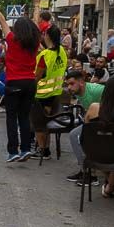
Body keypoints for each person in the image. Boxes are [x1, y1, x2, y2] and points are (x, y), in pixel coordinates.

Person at [0, 0, 39, 162]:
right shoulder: (35, 41)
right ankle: (25, 149)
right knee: (24, 117)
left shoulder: (12, 39)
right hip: (30, 83)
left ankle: (13, 151)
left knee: (11, 117)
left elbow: (2, 20)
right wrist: (37, 5)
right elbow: (36, 23)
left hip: (14, 82)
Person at [31, 25, 69, 158]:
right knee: (48, 123)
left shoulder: (45, 56)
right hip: (56, 94)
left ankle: (43, 150)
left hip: (41, 94)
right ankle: (46, 149)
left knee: (39, 125)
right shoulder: (62, 51)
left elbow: (37, 76)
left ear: (47, 36)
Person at [63, 70, 105, 183]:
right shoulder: (78, 94)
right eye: (67, 84)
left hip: (106, 124)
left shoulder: (96, 90)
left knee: (77, 136)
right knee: (74, 135)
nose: (69, 87)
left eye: (72, 84)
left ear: (81, 82)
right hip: (94, 123)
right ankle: (85, 170)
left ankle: (91, 174)